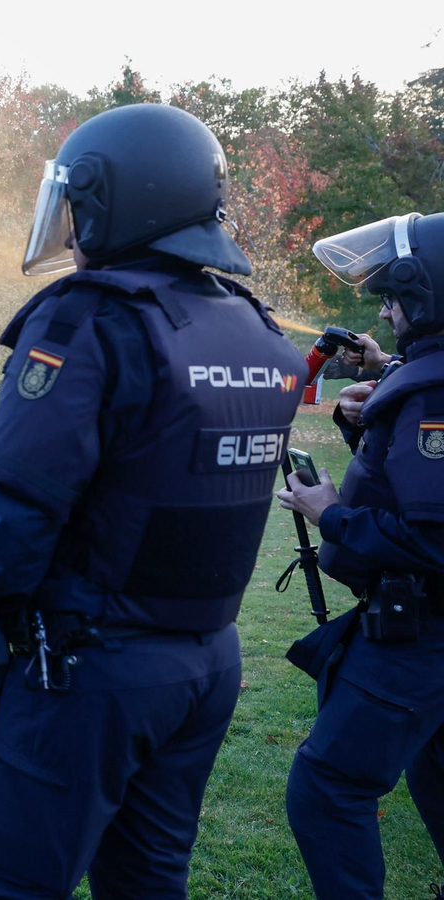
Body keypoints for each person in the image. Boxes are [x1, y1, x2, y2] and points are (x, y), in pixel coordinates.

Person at [0, 104, 305, 896]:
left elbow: (21, 505)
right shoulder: (251, 328)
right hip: (203, 665)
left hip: (90, 670)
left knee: (15, 883)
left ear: (114, 201)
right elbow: (153, 448)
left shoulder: (87, 315)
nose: (75, 228)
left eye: (79, 206)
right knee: (149, 882)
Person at [277, 211, 444, 898]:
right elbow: (414, 493)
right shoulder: (422, 378)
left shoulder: (432, 391)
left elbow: (434, 540)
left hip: (419, 631)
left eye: (393, 296)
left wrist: (330, 514)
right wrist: (364, 423)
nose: (383, 309)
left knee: (327, 786)